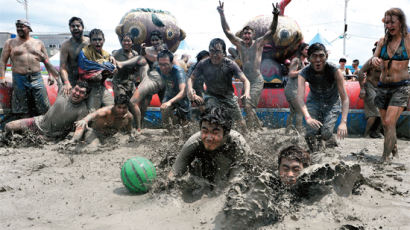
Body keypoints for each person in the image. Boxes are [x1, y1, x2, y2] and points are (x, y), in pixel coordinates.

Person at [217, 1, 280, 130]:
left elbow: (271, 31)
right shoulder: (239, 44)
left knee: (248, 104)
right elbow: (227, 31)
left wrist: (275, 16)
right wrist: (222, 14)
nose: (246, 35)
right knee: (246, 105)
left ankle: (254, 130)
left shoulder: (258, 43)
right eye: (244, 33)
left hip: (256, 80)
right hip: (246, 80)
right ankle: (258, 128)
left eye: (249, 33)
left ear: (253, 35)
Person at [169, 106, 251, 188]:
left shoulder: (238, 143)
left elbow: (239, 179)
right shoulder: (194, 142)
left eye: (215, 132)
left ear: (226, 133)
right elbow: (173, 174)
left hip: (229, 162)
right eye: (205, 131)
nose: (208, 138)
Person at [187, 38, 251, 133]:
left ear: (224, 53)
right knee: (213, 117)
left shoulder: (230, 64)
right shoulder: (203, 63)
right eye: (211, 51)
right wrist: (190, 90)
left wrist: (246, 93)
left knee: (241, 123)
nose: (214, 55)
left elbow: (246, 80)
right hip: (211, 96)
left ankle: (247, 137)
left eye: (217, 51)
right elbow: (191, 78)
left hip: (228, 97)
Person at [0, 19, 59, 118]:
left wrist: (50, 75)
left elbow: (46, 60)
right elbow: (3, 61)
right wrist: (2, 77)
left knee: (43, 105)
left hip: (36, 77)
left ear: (29, 28)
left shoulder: (38, 43)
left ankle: (43, 126)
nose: (19, 29)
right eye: (17, 27)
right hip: (19, 78)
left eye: (22, 26)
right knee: (22, 107)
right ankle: (24, 129)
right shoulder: (10, 42)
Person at [372, 8, 410, 162]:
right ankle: (393, 149)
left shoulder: (407, 41)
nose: (389, 25)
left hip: (401, 87)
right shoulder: (382, 41)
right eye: (386, 22)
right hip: (382, 87)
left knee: (389, 122)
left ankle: (385, 157)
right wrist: (375, 60)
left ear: (400, 22)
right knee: (387, 124)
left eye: (392, 22)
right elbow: (375, 58)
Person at [297, 43, 349, 152]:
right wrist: (308, 117)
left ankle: (330, 144)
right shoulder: (304, 72)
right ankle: (315, 154)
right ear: (308, 58)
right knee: (310, 134)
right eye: (314, 56)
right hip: (314, 101)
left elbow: (345, 98)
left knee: (326, 133)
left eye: (321, 56)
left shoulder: (335, 71)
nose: (318, 60)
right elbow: (300, 98)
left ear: (326, 56)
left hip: (332, 102)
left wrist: (343, 122)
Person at [4, 82, 90, 140]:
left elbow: (79, 128)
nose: (77, 93)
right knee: (9, 126)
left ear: (86, 96)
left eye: (82, 92)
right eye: (76, 89)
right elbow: (59, 73)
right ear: (72, 89)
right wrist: (66, 82)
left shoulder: (82, 110)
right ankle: (7, 141)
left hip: (51, 136)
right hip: (38, 122)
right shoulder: (64, 91)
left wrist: (73, 141)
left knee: (31, 141)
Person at [77, 28, 115, 112]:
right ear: (90, 41)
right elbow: (82, 71)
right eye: (94, 40)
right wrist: (94, 75)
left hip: (101, 86)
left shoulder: (106, 55)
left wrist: (111, 71)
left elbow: (111, 71)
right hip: (88, 88)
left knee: (113, 108)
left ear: (104, 40)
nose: (97, 42)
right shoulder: (84, 53)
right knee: (92, 112)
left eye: (99, 39)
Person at [156, 50, 190, 130]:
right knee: (164, 110)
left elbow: (183, 92)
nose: (163, 67)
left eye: (166, 64)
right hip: (169, 94)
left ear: (172, 63)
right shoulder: (158, 69)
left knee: (185, 126)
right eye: (160, 64)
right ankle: (168, 133)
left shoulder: (178, 72)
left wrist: (170, 102)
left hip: (182, 98)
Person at [60, 17, 90, 95]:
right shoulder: (66, 45)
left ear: (82, 27)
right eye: (73, 26)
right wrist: (66, 83)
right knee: (62, 101)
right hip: (72, 79)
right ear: (70, 28)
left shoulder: (89, 42)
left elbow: (101, 55)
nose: (75, 28)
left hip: (88, 78)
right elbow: (62, 68)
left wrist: (110, 56)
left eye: (78, 26)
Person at [358, 43, 383, 138]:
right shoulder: (371, 61)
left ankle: (376, 132)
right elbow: (360, 72)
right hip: (370, 86)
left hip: (381, 88)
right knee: (374, 113)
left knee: (384, 112)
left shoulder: (387, 61)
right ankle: (366, 134)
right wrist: (362, 88)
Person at [285, 43, 309, 133]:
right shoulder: (296, 60)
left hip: (295, 90)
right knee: (300, 110)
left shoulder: (303, 62)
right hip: (291, 89)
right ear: (301, 50)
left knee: (293, 111)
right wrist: (304, 70)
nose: (308, 51)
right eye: (306, 49)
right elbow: (291, 74)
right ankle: (299, 132)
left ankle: (287, 132)